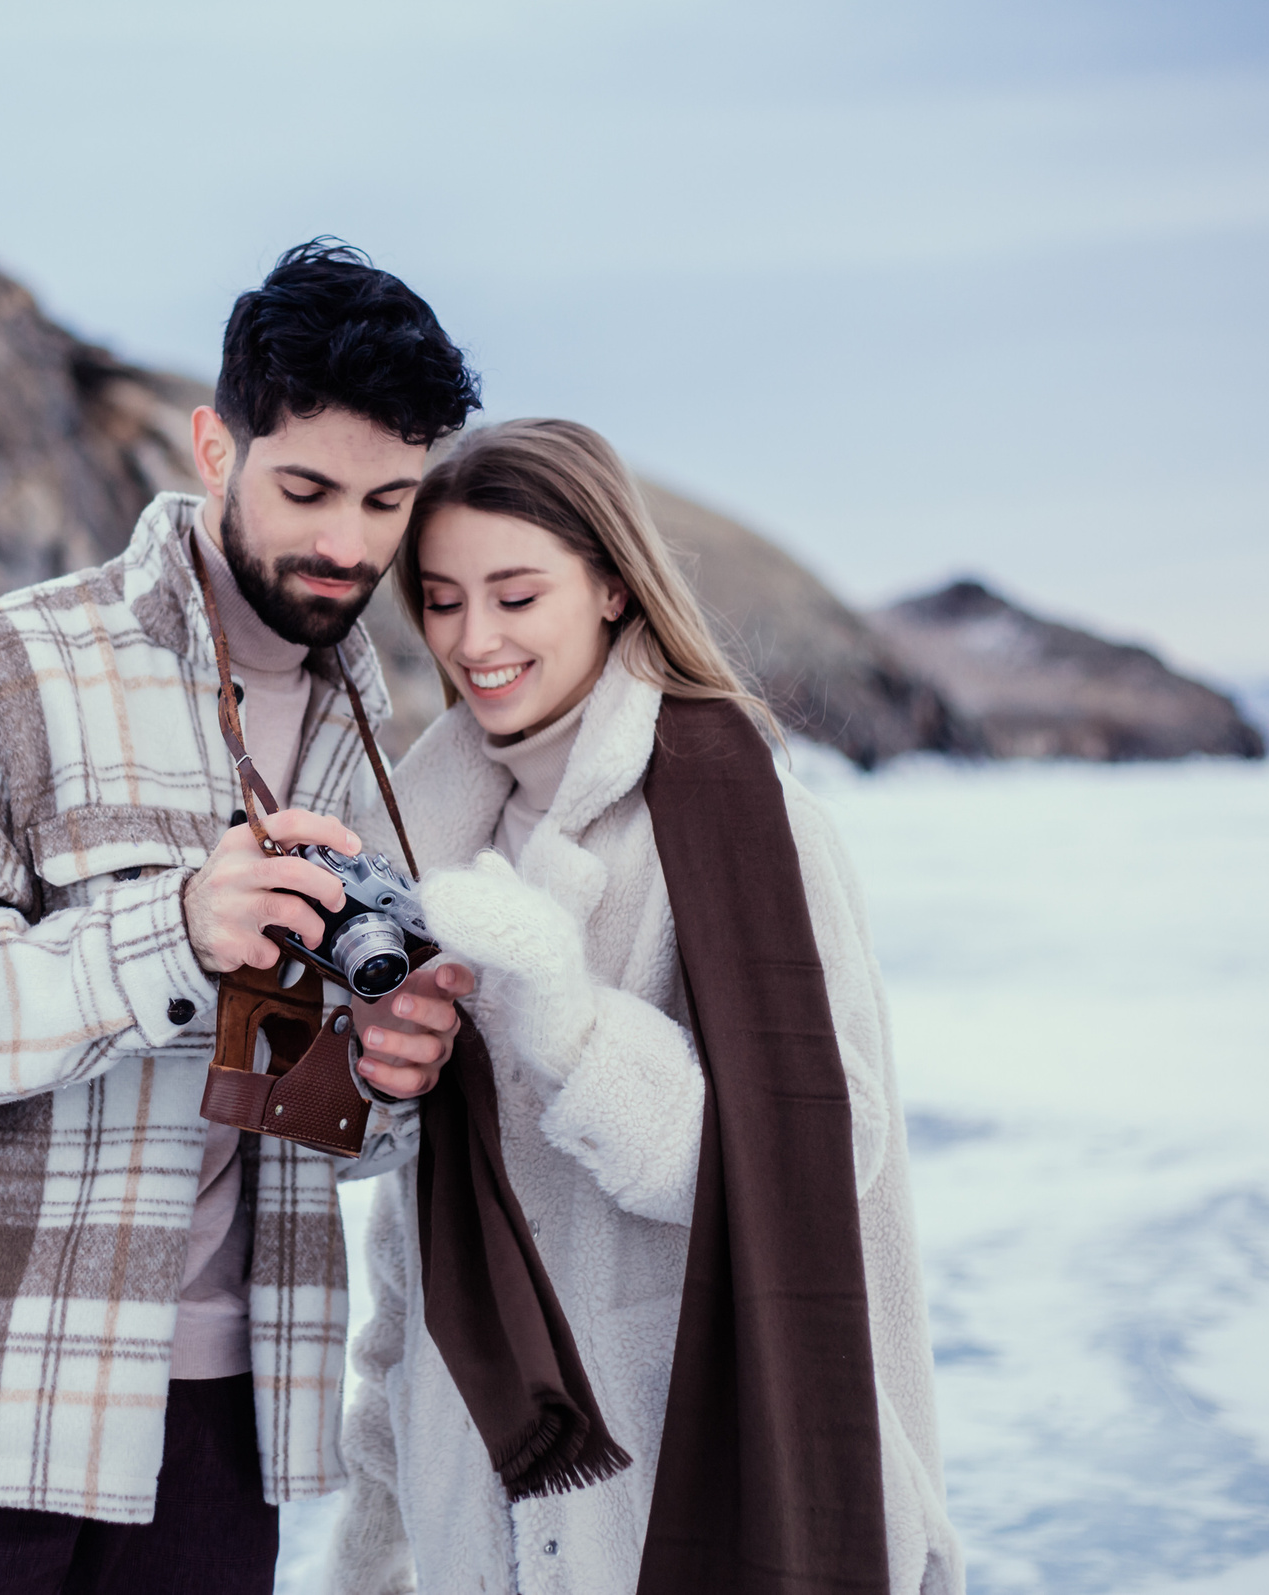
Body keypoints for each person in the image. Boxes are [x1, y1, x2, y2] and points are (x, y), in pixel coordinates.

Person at [0, 240, 483, 1595]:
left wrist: (386, 1082)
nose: (348, 542)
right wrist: (175, 931)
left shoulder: (374, 741)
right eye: (308, 488)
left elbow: (281, 1106)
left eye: (389, 500)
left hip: (224, 1414)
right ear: (214, 447)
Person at [330, 419, 964, 1595]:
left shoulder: (746, 821)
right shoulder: (417, 839)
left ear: (615, 586)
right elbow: (419, 1235)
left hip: (681, 1465)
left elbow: (831, 1152)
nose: (476, 641)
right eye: (444, 599)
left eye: (517, 595)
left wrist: (572, 1031)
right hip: (472, 1492)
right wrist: (375, 1523)